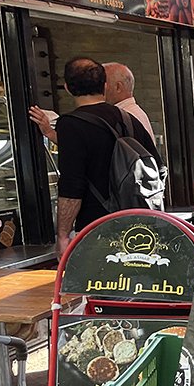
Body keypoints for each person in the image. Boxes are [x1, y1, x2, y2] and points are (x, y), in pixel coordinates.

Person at [48, 57, 162, 254]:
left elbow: (72, 187)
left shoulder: (71, 125)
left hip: (98, 227)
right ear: (104, 84)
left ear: (67, 88)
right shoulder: (128, 118)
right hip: (139, 220)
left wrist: (63, 236)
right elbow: (158, 167)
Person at [27, 62, 155, 144]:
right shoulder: (129, 115)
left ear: (118, 87)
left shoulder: (123, 117)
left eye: (101, 82)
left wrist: (51, 132)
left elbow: (85, 153)